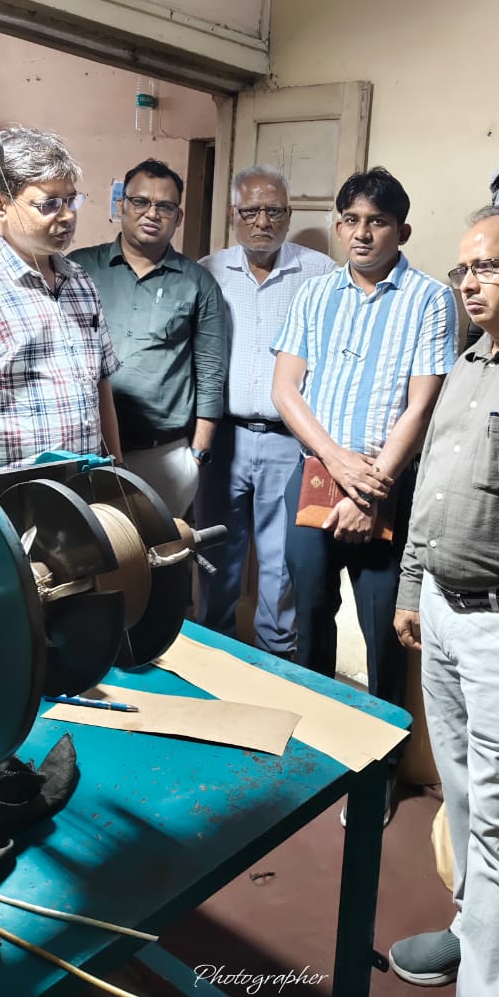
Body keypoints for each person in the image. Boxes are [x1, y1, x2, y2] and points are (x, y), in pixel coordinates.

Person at [389, 206, 499, 997]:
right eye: (462, 270)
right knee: (462, 800)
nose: (469, 284)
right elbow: (433, 489)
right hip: (444, 614)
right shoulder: (470, 361)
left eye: (487, 267)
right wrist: (411, 587)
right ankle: (472, 928)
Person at [271, 168, 458, 708]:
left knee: (385, 628)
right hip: (314, 477)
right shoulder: (313, 294)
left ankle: (387, 750)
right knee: (309, 615)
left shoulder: (431, 299)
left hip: (389, 485)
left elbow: (422, 406)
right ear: (338, 226)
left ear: (402, 231)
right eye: (351, 219)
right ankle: (315, 731)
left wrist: (369, 489)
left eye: (377, 221)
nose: (362, 232)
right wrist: (337, 462)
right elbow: (285, 389)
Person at [194, 165, 337, 657]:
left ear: (289, 215)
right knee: (216, 552)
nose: (262, 222)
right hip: (223, 439)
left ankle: (276, 661)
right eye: (251, 211)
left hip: (289, 440)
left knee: (281, 565)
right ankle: (214, 653)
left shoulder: (320, 273)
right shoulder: (209, 270)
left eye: (274, 211)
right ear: (233, 213)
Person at [73, 158, 226, 517]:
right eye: (140, 202)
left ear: (179, 216)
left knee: (163, 550)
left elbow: (210, 373)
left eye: (165, 206)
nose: (152, 213)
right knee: (89, 547)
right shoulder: (78, 268)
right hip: (86, 448)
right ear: (121, 206)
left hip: (163, 454)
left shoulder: (198, 283)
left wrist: (197, 455)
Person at [0, 125, 122, 474]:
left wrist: (117, 469)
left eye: (71, 200)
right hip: (0, 497)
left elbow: (100, 385)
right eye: (49, 204)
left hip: (81, 491)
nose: (68, 215)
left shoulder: (80, 281)